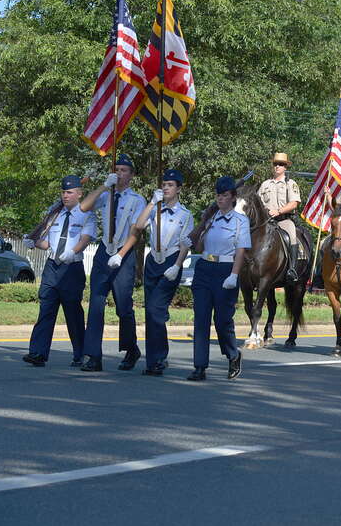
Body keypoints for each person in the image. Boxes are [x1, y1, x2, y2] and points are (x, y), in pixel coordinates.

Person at [110, 169, 193, 376]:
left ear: (179, 189)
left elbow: (185, 243)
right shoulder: (155, 209)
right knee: (151, 312)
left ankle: (156, 361)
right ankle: (158, 357)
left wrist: (177, 265)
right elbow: (138, 226)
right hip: (152, 261)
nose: (166, 188)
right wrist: (151, 203)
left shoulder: (185, 214)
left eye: (170, 185)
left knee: (157, 310)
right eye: (164, 184)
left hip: (171, 261)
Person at [77, 154, 146, 372]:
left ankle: (131, 348)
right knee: (96, 304)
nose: (119, 173)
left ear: (131, 175)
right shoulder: (106, 194)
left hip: (123, 254)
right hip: (103, 252)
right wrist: (103, 186)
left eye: (124, 170)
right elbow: (83, 207)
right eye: (116, 169)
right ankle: (94, 356)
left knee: (123, 306)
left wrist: (121, 254)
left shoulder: (137, 200)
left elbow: (136, 232)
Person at [21, 175, 96, 367]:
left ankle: (80, 354)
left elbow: (86, 238)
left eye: (70, 192)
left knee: (73, 313)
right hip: (52, 267)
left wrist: (73, 252)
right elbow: (47, 244)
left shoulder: (86, 214)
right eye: (63, 192)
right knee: (46, 309)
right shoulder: (54, 214)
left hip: (72, 268)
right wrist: (33, 242)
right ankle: (37, 353)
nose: (65, 195)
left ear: (80, 194)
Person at [186, 176, 250, 381]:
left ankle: (233, 354)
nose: (220, 199)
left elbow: (240, 250)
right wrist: (203, 223)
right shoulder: (211, 217)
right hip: (204, 268)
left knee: (222, 320)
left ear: (233, 198)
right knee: (201, 318)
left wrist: (234, 274)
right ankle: (199, 366)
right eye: (218, 195)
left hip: (225, 269)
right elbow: (198, 247)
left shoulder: (241, 221)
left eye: (224, 195)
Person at [257, 152, 301, 283]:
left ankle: (292, 269)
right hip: (266, 221)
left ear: (285, 167)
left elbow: (294, 203)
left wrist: (278, 211)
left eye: (281, 164)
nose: (277, 166)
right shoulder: (265, 184)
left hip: (283, 220)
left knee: (292, 236)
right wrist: (265, 210)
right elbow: (258, 204)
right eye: (275, 164)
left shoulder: (290, 183)